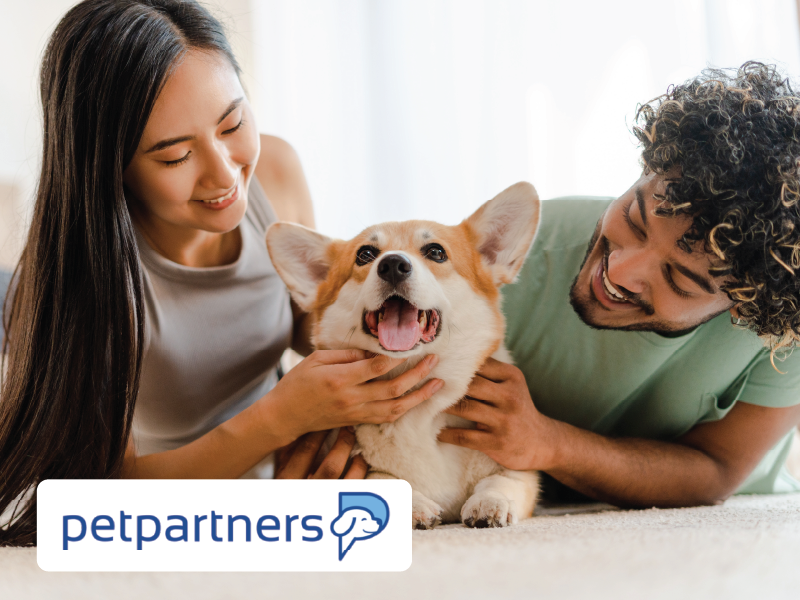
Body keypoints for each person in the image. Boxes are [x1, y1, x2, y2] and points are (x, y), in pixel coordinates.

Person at [0, 0, 442, 547]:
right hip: (173, 506)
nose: (224, 172)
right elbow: (95, 498)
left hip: (281, 469)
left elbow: (316, 331)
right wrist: (281, 418)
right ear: (111, 168)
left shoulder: (276, 173)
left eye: (232, 122)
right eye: (174, 156)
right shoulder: (78, 288)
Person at [439, 62, 800, 508]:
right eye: (634, 218)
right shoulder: (506, 255)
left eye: (678, 279)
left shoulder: (785, 331)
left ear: (741, 307)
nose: (620, 272)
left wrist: (548, 442)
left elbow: (716, 469)